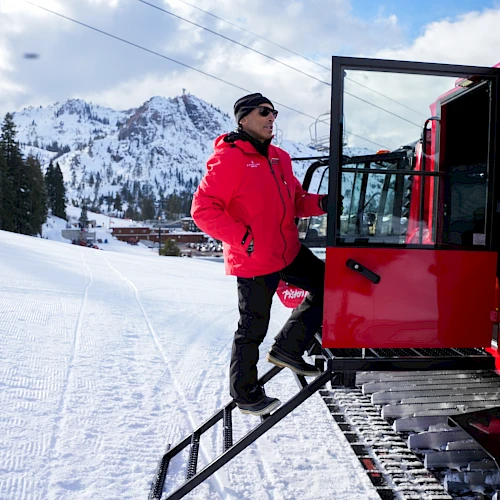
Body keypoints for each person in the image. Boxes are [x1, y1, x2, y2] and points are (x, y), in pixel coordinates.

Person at [191, 93, 328, 417]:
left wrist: (321, 203)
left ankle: (289, 346)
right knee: (252, 328)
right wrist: (244, 240)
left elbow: (296, 200)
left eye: (274, 112)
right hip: (253, 258)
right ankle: (246, 394)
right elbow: (203, 210)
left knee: (330, 284)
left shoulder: (279, 157)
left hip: (287, 251)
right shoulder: (230, 159)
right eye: (264, 112)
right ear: (243, 119)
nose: (272, 118)